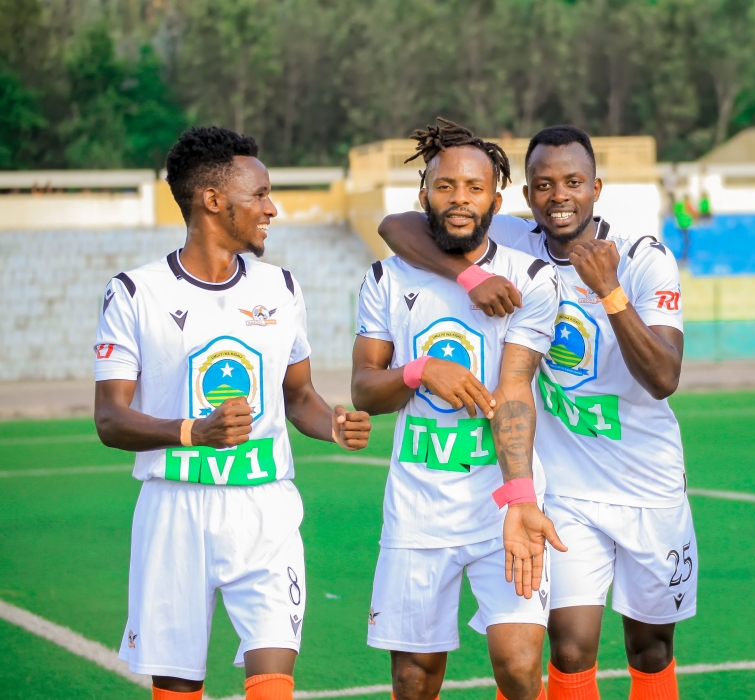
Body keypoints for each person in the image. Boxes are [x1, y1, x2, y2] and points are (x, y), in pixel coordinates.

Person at [379, 124, 694, 700]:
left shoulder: (643, 257)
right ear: (524, 196)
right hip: (566, 489)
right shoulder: (516, 240)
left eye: (574, 182)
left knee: (651, 648)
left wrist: (610, 292)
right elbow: (396, 225)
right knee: (569, 648)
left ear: (598, 187)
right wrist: (469, 274)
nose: (559, 196)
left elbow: (663, 378)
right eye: (544, 185)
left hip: (649, 483)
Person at [93, 126, 373, 700]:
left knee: (273, 684)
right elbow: (110, 419)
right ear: (213, 200)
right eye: (260, 194)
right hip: (174, 510)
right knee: (177, 687)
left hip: (265, 507)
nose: (273, 208)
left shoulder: (281, 286)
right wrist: (193, 431)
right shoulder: (134, 293)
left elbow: (300, 399)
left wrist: (335, 425)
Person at [352, 118, 565, 700]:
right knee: (415, 677)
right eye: (445, 187)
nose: (459, 200)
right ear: (423, 194)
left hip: (499, 503)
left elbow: (516, 388)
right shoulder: (386, 278)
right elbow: (365, 391)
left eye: (474, 188)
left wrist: (521, 500)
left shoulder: (531, 280)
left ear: (497, 200)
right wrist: (420, 370)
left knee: (519, 666)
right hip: (417, 508)